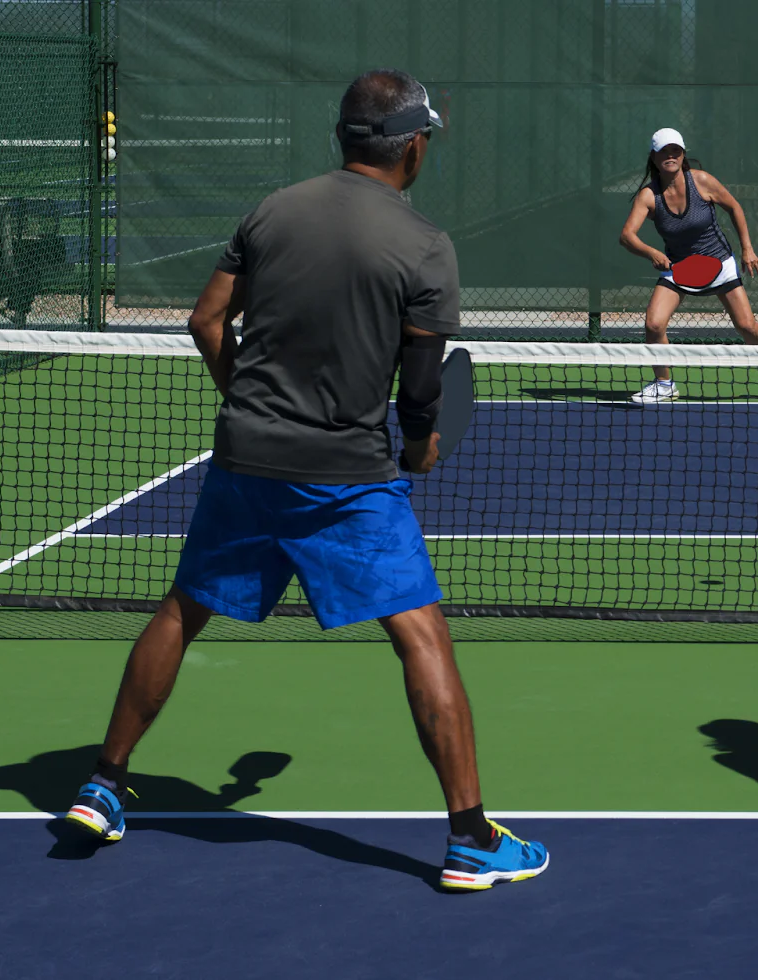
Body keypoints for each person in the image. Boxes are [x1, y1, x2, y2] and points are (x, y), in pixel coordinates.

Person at [61, 69, 548, 892]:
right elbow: (422, 387)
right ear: (413, 147)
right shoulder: (426, 247)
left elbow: (204, 320)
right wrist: (421, 445)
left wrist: (248, 402)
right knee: (421, 638)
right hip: (347, 479)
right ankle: (470, 839)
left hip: (247, 459)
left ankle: (102, 784)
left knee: (184, 610)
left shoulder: (272, 211)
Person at [617, 128, 758, 404]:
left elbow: (734, 207)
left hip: (719, 262)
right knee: (653, 324)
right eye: (664, 151)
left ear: (683, 154)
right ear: (654, 157)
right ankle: (664, 384)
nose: (670, 156)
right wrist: (651, 252)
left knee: (746, 325)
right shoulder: (648, 196)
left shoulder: (702, 181)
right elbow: (626, 236)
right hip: (678, 268)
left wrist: (747, 249)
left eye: (675, 150)